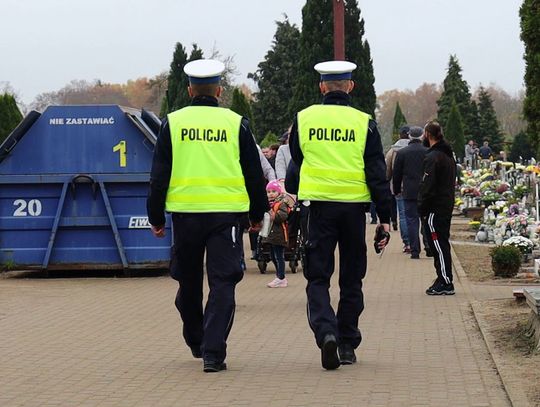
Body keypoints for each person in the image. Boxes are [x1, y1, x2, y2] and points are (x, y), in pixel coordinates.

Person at [147, 59, 268, 372]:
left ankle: (196, 337)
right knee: (223, 282)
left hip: (185, 215)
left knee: (187, 282)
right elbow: (253, 173)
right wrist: (258, 214)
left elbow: (159, 174)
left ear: (189, 90)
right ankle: (213, 352)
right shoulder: (236, 123)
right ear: (219, 90)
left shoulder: (172, 123)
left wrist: (156, 216)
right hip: (225, 217)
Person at [289, 60, 391, 370]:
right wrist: (384, 217)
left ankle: (326, 332)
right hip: (352, 211)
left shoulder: (303, 119)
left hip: (316, 209)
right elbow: (376, 173)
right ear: (350, 86)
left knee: (317, 277)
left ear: (321, 86)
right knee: (351, 278)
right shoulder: (364, 123)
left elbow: (297, 159)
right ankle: (347, 343)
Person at [418, 121, 456, 295]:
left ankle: (446, 281)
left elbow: (428, 186)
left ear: (427, 134)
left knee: (438, 245)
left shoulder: (434, 157)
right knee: (440, 243)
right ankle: (442, 277)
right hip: (444, 205)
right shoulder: (447, 155)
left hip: (435, 208)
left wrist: (422, 208)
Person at [392, 126, 430, 259]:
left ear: (409, 136)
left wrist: (396, 190)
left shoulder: (402, 153)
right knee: (425, 219)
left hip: (409, 191)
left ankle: (415, 250)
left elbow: (396, 174)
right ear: (421, 136)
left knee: (411, 221)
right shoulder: (428, 152)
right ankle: (428, 246)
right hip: (425, 191)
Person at [385, 126, 410, 251]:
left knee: (403, 215)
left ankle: (407, 243)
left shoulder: (392, 151)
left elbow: (388, 170)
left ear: (400, 135)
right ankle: (414, 240)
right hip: (413, 187)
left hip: (398, 186)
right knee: (413, 215)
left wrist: (388, 181)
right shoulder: (416, 148)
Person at [263, 180, 291, 288]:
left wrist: (273, 215)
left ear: (278, 192)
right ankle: (279, 276)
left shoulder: (281, 203)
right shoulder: (268, 204)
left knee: (279, 256)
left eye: (273, 191)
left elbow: (283, 216)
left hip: (279, 234)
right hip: (270, 234)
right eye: (268, 191)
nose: (270, 194)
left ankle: (281, 278)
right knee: (272, 256)